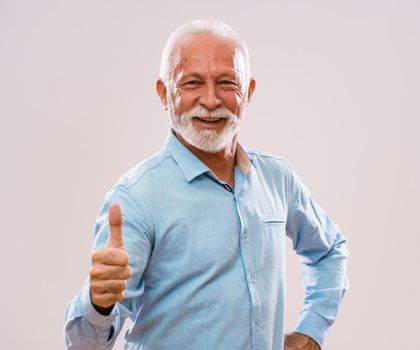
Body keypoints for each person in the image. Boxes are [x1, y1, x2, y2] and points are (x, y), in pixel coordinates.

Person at [64, 20, 348, 350]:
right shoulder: (136, 199)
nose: (211, 101)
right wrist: (98, 303)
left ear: (249, 92)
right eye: (192, 83)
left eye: (227, 83)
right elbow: (85, 344)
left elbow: (330, 251)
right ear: (164, 93)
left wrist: (311, 330)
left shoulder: (277, 178)